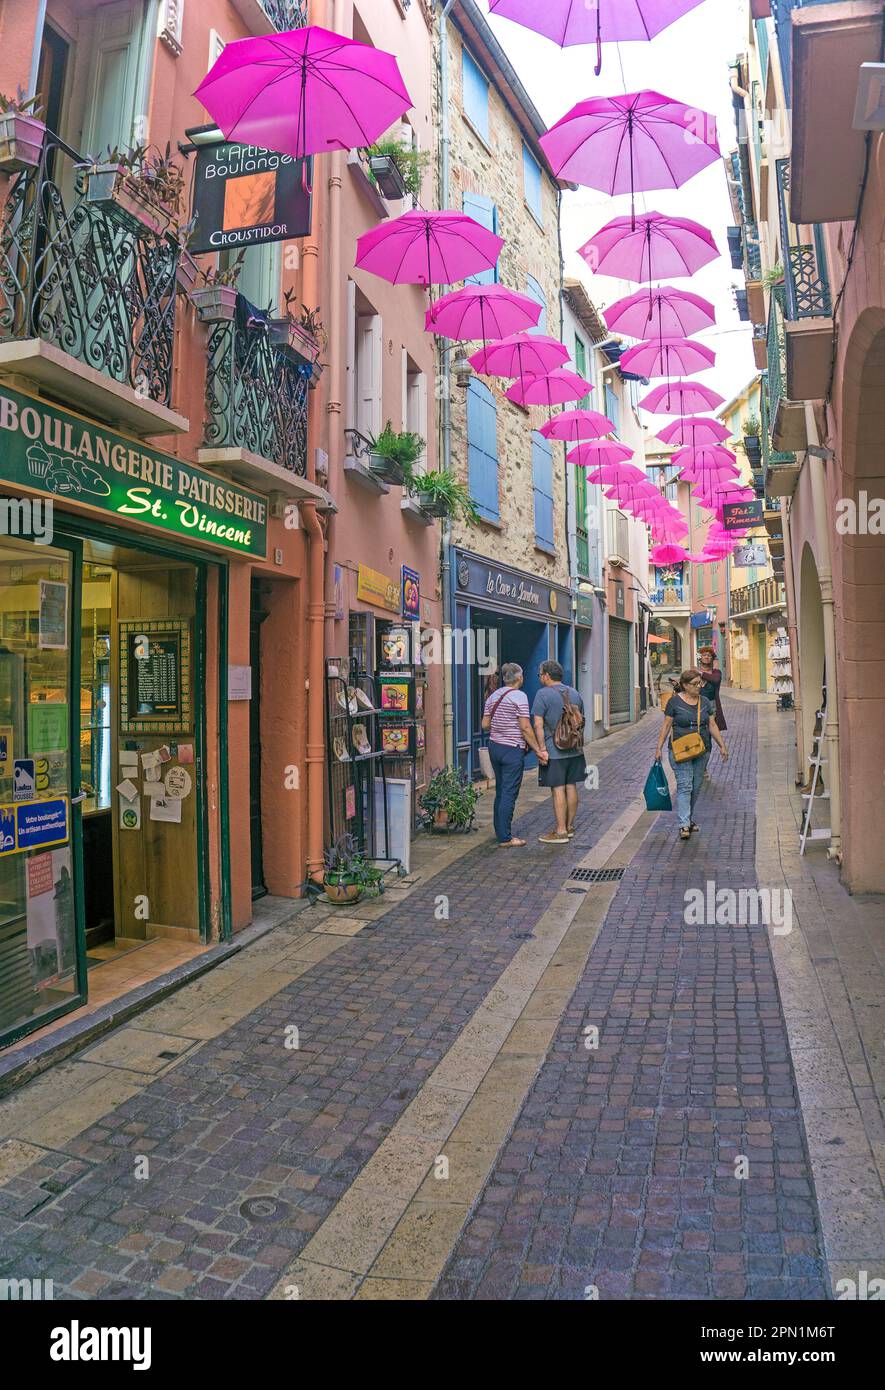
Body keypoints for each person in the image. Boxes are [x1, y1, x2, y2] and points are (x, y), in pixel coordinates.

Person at [655, 667, 729, 840]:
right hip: (680, 750)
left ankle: (687, 818)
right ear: (685, 685)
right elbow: (666, 726)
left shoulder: (704, 701)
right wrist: (658, 748)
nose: (699, 687)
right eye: (695, 684)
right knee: (685, 786)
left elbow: (712, 725)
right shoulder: (674, 702)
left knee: (696, 787)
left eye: (700, 683)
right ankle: (683, 824)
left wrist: (722, 746)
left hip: (701, 749)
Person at [482, 662, 548, 848]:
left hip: (495, 747)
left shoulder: (492, 696)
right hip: (512, 749)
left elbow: (485, 725)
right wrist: (538, 750)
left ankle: (500, 831)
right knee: (509, 793)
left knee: (501, 791)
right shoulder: (519, 696)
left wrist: (501, 724)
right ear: (519, 677)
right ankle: (505, 837)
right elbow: (525, 727)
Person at [532, 659, 586, 845]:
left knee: (558, 789)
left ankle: (560, 830)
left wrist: (541, 749)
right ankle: (570, 826)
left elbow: (538, 724)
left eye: (540, 674)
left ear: (546, 675)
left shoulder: (542, 694)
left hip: (554, 750)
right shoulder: (575, 693)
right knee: (571, 786)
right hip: (575, 749)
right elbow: (580, 721)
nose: (539, 677)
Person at [697, 646, 727, 732]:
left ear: (712, 659)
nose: (707, 657)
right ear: (700, 658)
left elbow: (716, 679)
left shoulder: (716, 672)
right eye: (704, 655)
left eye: (709, 656)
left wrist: (701, 674)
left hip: (711, 705)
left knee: (710, 730)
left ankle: (708, 745)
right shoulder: (695, 672)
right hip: (697, 704)